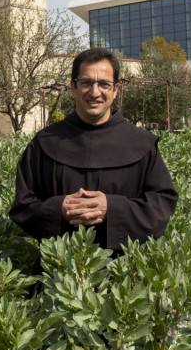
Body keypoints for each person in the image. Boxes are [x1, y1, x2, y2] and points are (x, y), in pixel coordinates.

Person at [10, 47, 177, 254]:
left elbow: (162, 206)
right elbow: (22, 206)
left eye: (104, 84)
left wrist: (113, 209)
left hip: (125, 276)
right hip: (58, 275)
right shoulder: (44, 143)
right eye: (86, 82)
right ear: (73, 87)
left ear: (116, 89)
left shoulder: (143, 144)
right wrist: (58, 209)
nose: (95, 92)